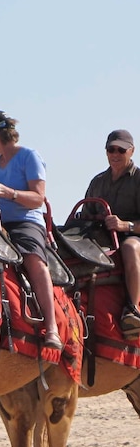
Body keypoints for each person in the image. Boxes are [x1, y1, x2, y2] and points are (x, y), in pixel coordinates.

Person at [0, 110, 62, 350]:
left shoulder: (29, 156)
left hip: (25, 222)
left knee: (34, 260)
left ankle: (52, 328)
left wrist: (10, 193)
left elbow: (38, 199)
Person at [83, 129, 140, 331]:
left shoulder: (138, 179)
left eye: (121, 150)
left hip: (133, 236)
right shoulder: (97, 182)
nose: (115, 154)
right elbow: (83, 215)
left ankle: (132, 310)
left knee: (130, 248)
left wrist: (126, 225)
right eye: (111, 149)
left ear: (131, 151)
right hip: (101, 238)